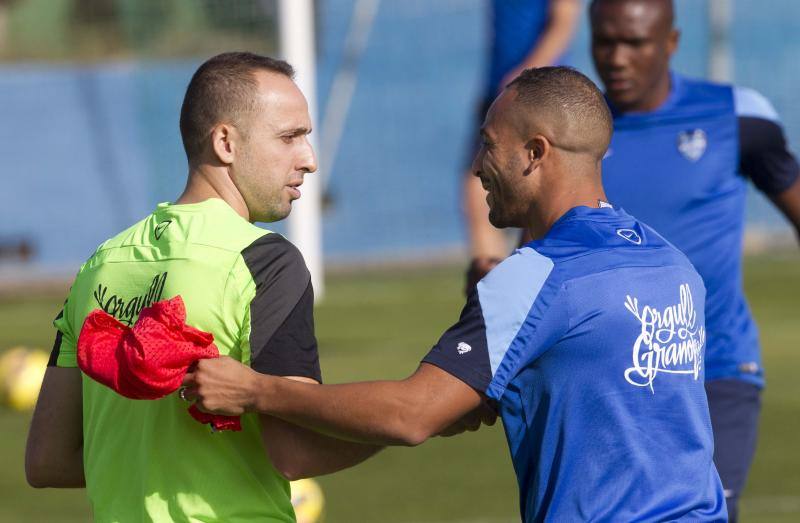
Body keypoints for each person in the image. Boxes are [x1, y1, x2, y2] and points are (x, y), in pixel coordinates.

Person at [183, 67, 728, 522]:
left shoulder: (535, 276)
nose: (476, 166)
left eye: (490, 146)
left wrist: (256, 391)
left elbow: (411, 413)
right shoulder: (671, 265)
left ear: (535, 153)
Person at [24, 52, 383, 522]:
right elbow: (297, 451)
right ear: (226, 142)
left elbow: (47, 460)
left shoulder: (100, 263)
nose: (310, 160)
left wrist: (153, 468)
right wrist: (401, 423)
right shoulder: (263, 262)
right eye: (290, 137)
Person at [589, 0, 800, 519]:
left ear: (671, 43)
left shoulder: (737, 116)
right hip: (611, 379)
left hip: (716, 369)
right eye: (604, 41)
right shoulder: (571, 130)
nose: (617, 58)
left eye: (634, 43)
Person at [464, 0, 581, 291]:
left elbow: (563, 23)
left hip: (536, 93)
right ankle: (492, 295)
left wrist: (525, 74)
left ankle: (533, 292)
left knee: (538, 196)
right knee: (476, 193)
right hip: (498, 93)